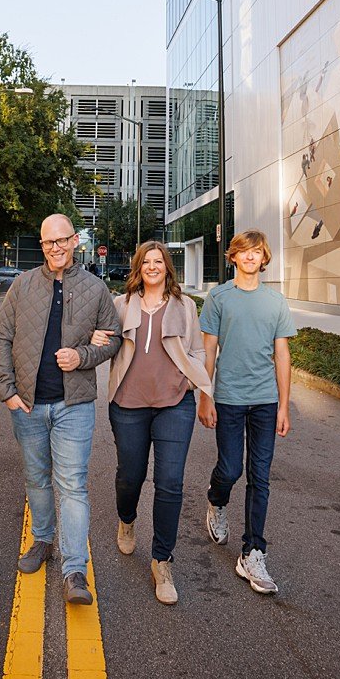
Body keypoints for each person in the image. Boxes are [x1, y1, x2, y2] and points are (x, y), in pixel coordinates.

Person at [0, 214, 121, 606]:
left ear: (74, 241)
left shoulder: (96, 289)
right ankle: (43, 541)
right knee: (36, 478)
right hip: (28, 404)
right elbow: (2, 336)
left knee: (73, 485)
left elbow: (113, 341)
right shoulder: (22, 285)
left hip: (74, 405)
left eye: (62, 240)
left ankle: (74, 570)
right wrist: (6, 390)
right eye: (49, 242)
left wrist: (82, 355)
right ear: (43, 245)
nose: (55, 248)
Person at [105, 241, 212, 605]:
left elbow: (197, 350)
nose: (153, 267)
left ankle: (162, 561)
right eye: (146, 262)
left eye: (159, 262)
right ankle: (127, 518)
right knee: (130, 476)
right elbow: (104, 342)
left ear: (168, 268)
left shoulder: (185, 306)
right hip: (128, 405)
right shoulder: (121, 305)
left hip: (175, 404)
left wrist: (200, 386)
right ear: (139, 267)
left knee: (170, 483)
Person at [199, 230, 295, 595]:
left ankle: (253, 551)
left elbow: (282, 355)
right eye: (244, 251)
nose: (251, 257)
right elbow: (208, 351)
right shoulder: (219, 297)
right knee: (229, 469)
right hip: (228, 397)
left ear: (264, 258)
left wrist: (284, 404)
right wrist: (204, 396)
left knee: (260, 475)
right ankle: (216, 500)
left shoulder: (275, 301)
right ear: (233, 257)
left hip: (265, 401)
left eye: (257, 252)